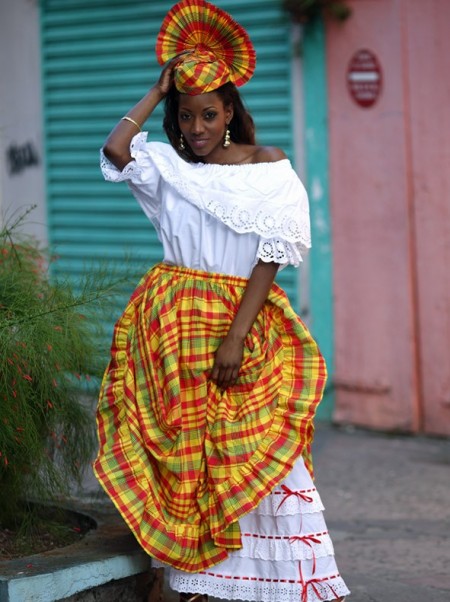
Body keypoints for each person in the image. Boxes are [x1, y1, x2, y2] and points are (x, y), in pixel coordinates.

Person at [93, 1, 350, 601]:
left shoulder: (269, 167)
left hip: (240, 326)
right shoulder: (167, 169)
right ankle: (194, 584)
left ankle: (277, 581)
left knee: (260, 451)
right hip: (170, 331)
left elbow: (273, 253)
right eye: (187, 118)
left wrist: (236, 334)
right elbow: (114, 151)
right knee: (188, 461)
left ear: (230, 110)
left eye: (209, 114)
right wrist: (157, 94)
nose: (197, 129)